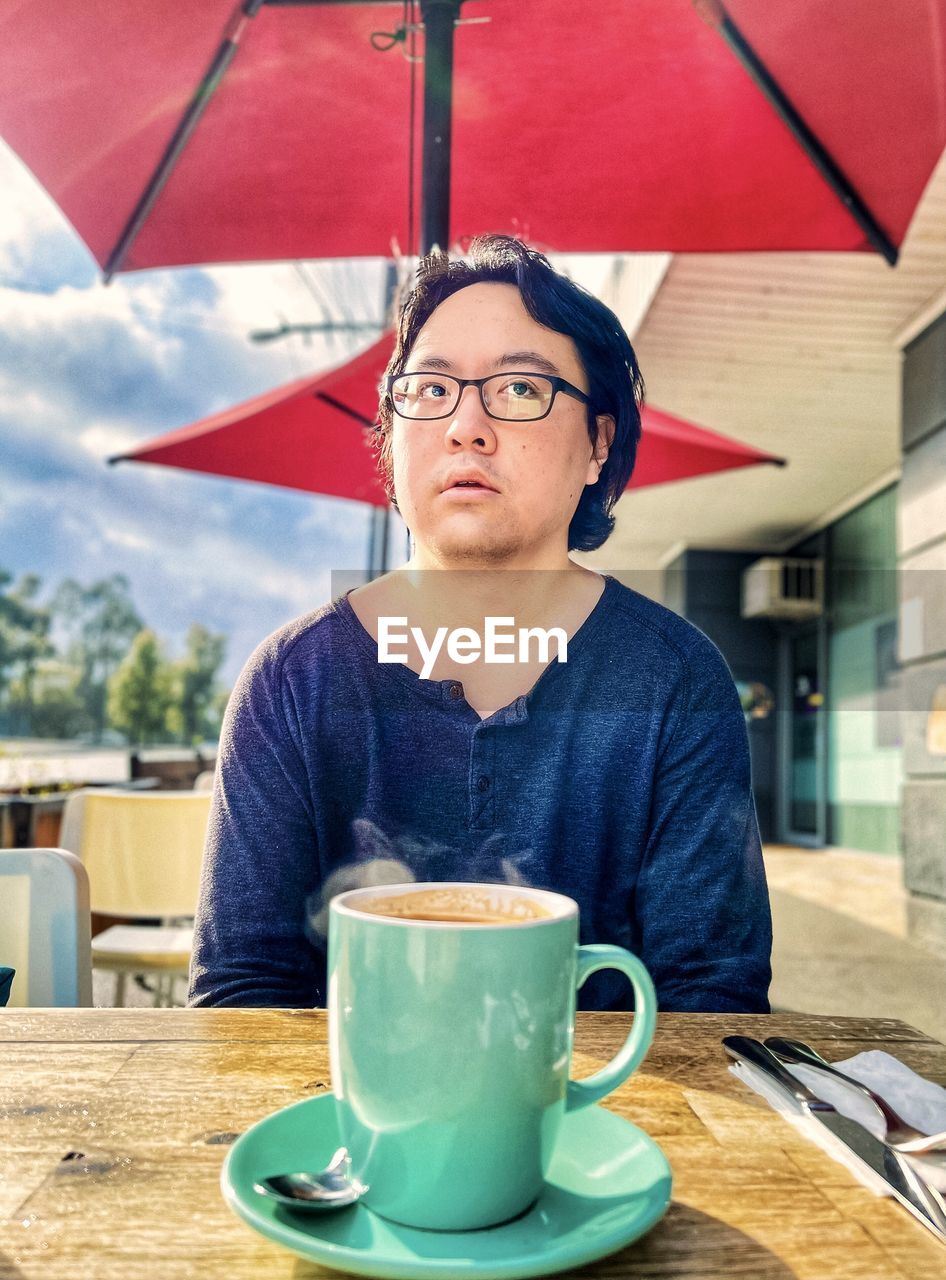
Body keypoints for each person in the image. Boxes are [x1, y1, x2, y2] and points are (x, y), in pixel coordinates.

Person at [188, 235, 772, 1013]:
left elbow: (712, 994)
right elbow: (241, 993)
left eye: (522, 389)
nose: (465, 425)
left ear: (598, 442)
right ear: (392, 445)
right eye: (430, 390)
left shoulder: (674, 680)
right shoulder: (294, 680)